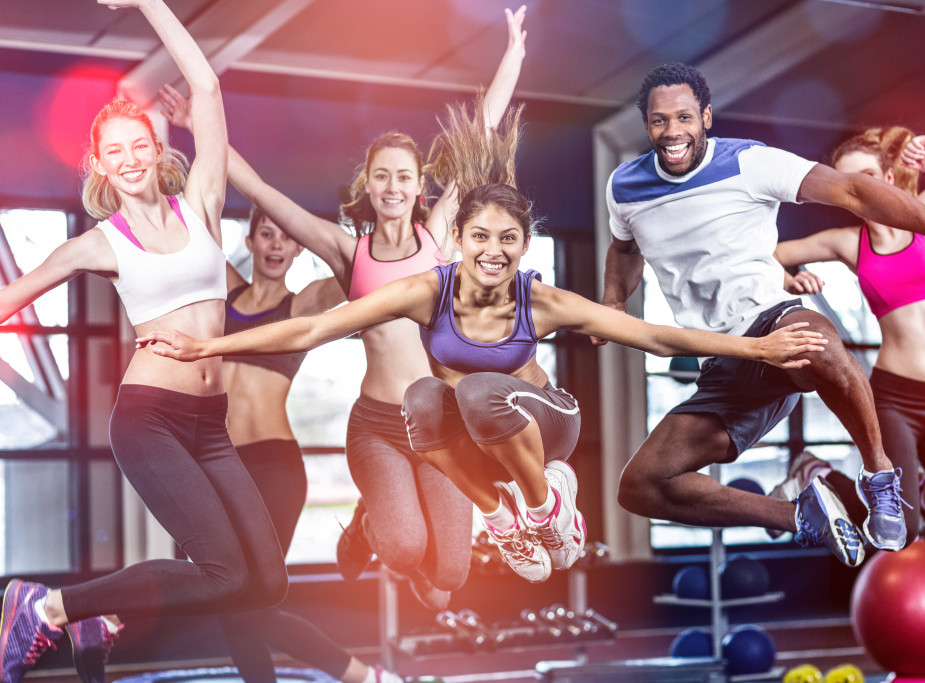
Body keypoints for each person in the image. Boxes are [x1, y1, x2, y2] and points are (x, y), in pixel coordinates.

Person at [136, 103, 828, 585]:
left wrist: (756, 350)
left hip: (544, 423)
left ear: (522, 247)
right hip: (469, 431)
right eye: (479, 239)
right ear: (457, 241)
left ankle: (546, 502)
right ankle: (504, 517)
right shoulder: (425, 287)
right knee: (426, 407)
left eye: (507, 241)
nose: (492, 252)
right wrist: (208, 349)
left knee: (472, 389)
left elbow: (652, 333)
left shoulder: (542, 297)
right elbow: (314, 327)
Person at [159, 4, 529, 608]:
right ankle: (368, 527)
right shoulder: (344, 252)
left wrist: (513, 50)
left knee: (451, 578)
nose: (392, 187)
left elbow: (480, 133)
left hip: (442, 425)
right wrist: (198, 128)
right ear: (369, 185)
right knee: (406, 549)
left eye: (403, 177)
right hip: (379, 424)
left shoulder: (437, 238)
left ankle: (380, 526)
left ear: (417, 187)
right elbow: (261, 192)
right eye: (381, 176)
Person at [598, 62, 925, 567]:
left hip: (773, 322)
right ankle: (798, 515)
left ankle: (878, 477)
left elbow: (852, 192)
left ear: (707, 117)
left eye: (684, 118)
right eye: (659, 121)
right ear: (646, 124)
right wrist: (613, 299)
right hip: (721, 360)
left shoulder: (751, 162)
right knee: (640, 486)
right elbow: (624, 248)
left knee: (818, 343)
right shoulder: (624, 188)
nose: (672, 132)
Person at [0, 1, 288, 682]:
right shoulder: (98, 243)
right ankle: (46, 608)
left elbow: (208, 89)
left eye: (139, 146)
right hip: (149, 418)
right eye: (114, 151)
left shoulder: (204, 203)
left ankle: (91, 613)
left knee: (266, 581)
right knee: (222, 568)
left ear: (158, 152)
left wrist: (148, 3)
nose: (129, 159)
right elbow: (13, 296)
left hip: (210, 425)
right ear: (99, 164)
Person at [771, 127, 925, 559]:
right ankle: (813, 471)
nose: (864, 190)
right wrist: (787, 280)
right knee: (901, 531)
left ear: (888, 178)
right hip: (893, 399)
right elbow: (769, 253)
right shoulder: (850, 243)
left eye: (869, 177)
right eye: (853, 184)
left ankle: (923, 496)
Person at [214, 209, 400, 683]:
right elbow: (192, 229)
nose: (277, 246)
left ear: (299, 249)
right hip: (222, 467)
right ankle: (365, 677)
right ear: (251, 240)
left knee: (250, 607)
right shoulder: (227, 291)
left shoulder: (301, 305)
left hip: (273, 468)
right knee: (232, 607)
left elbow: (357, 272)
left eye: (287, 238)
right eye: (266, 234)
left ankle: (362, 675)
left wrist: (378, 223)